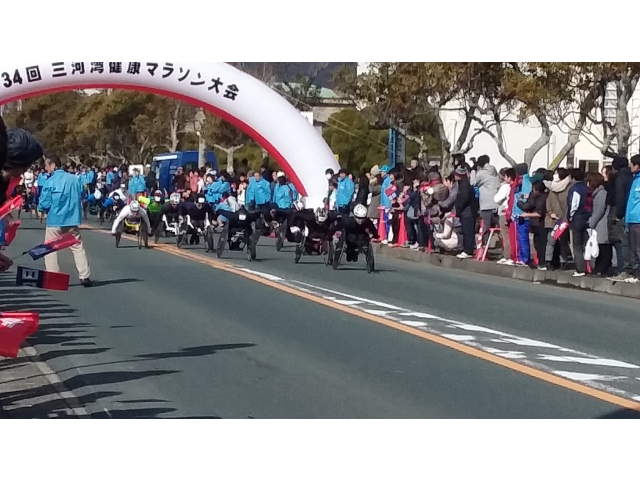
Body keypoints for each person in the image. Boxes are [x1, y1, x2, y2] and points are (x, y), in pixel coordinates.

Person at [37, 155, 93, 287]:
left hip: (55, 219)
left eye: (47, 165)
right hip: (72, 219)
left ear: (53, 166)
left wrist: (41, 209)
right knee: (77, 247)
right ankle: (85, 276)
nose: (46, 168)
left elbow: (44, 201)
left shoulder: (50, 181)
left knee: (50, 248)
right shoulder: (74, 179)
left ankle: (53, 276)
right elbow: (83, 194)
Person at [518, 180, 549, 270]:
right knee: (537, 243)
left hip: (540, 224)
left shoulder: (542, 198)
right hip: (536, 224)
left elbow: (539, 213)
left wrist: (526, 215)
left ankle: (543, 263)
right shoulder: (539, 197)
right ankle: (541, 262)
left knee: (541, 244)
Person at [471, 155, 501, 246]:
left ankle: (485, 246)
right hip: (497, 204)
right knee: (499, 227)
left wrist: (473, 170)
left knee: (486, 227)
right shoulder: (494, 172)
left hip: (487, 204)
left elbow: (473, 182)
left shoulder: (481, 173)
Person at [567, 169, 591, 277]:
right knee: (587, 243)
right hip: (588, 217)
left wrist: (570, 217)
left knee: (577, 245)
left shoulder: (574, 189)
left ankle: (580, 268)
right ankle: (590, 266)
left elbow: (573, 205)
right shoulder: (588, 187)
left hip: (577, 218)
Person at [587, 172, 611, 276]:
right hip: (598, 224)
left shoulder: (601, 193)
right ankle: (599, 267)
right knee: (599, 246)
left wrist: (591, 223)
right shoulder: (597, 193)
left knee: (603, 246)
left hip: (602, 223)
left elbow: (599, 211)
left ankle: (603, 268)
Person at [453, 166, 478, 259]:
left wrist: (459, 207)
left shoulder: (464, 185)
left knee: (468, 231)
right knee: (466, 230)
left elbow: (464, 198)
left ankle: (468, 250)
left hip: (467, 212)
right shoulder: (463, 183)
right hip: (467, 211)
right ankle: (467, 249)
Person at [624, 155, 640, 283]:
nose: (630, 166)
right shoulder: (635, 180)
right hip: (632, 218)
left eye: (632, 164)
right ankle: (636, 273)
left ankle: (637, 274)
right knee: (633, 248)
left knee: (637, 248)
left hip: (637, 219)